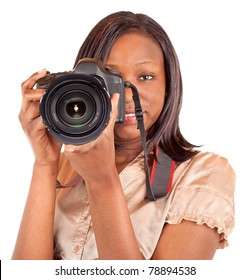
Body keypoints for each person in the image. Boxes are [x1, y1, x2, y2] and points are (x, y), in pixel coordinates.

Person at [12, 11, 235, 260]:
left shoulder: (204, 173)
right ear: (82, 84)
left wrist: (102, 180)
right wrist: (45, 164)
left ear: (169, 86)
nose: (128, 96)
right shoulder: (63, 167)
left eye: (146, 77)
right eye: (111, 78)